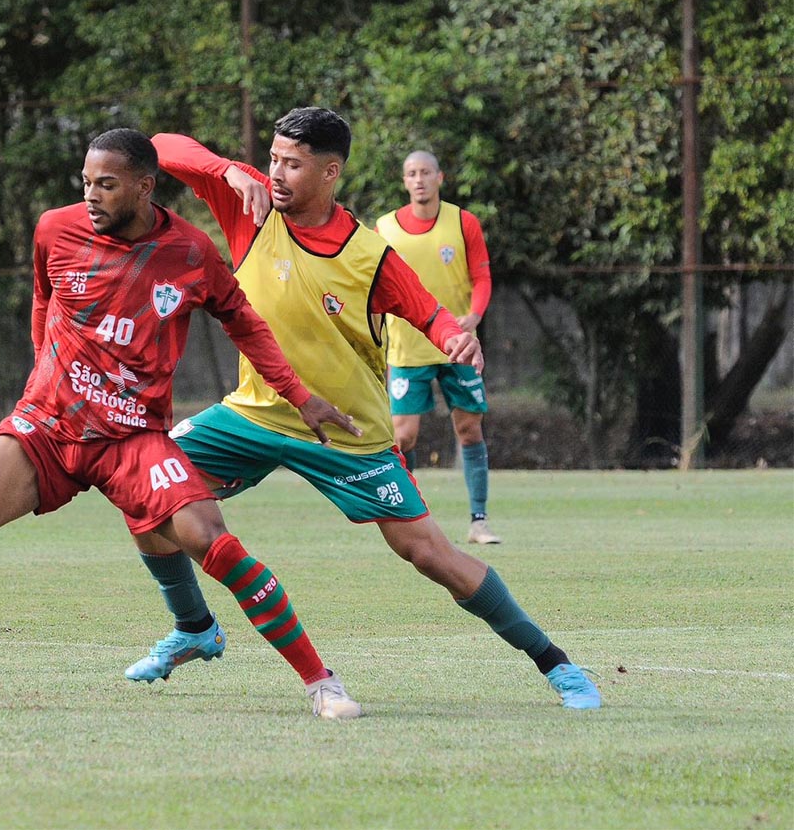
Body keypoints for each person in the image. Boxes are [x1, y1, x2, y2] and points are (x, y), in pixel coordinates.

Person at [0, 128, 368, 719]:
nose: (91, 195)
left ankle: (320, 681)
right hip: (47, 426)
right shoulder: (56, 228)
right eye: (85, 182)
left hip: (132, 438)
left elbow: (245, 324)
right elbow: (43, 295)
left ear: (143, 188)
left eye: (106, 184)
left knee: (213, 540)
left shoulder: (190, 253)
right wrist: (38, 377)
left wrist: (300, 396)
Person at [121, 108, 601, 710]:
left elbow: (429, 314)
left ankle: (556, 665)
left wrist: (454, 336)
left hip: (348, 433)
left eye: (292, 164)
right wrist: (224, 169)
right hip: (257, 412)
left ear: (330, 171)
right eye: (272, 159)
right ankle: (194, 628)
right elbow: (157, 145)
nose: (276, 173)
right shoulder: (250, 204)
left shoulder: (369, 255)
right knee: (143, 482)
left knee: (431, 555)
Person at [377, 150, 500, 545]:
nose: (419, 179)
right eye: (411, 173)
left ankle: (479, 521)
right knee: (404, 437)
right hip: (407, 347)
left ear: (439, 177)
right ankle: (412, 523)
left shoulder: (463, 223)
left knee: (468, 429)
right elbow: (373, 285)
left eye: (426, 172)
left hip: (456, 345)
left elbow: (481, 277)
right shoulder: (385, 228)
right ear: (404, 180)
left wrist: (475, 316)